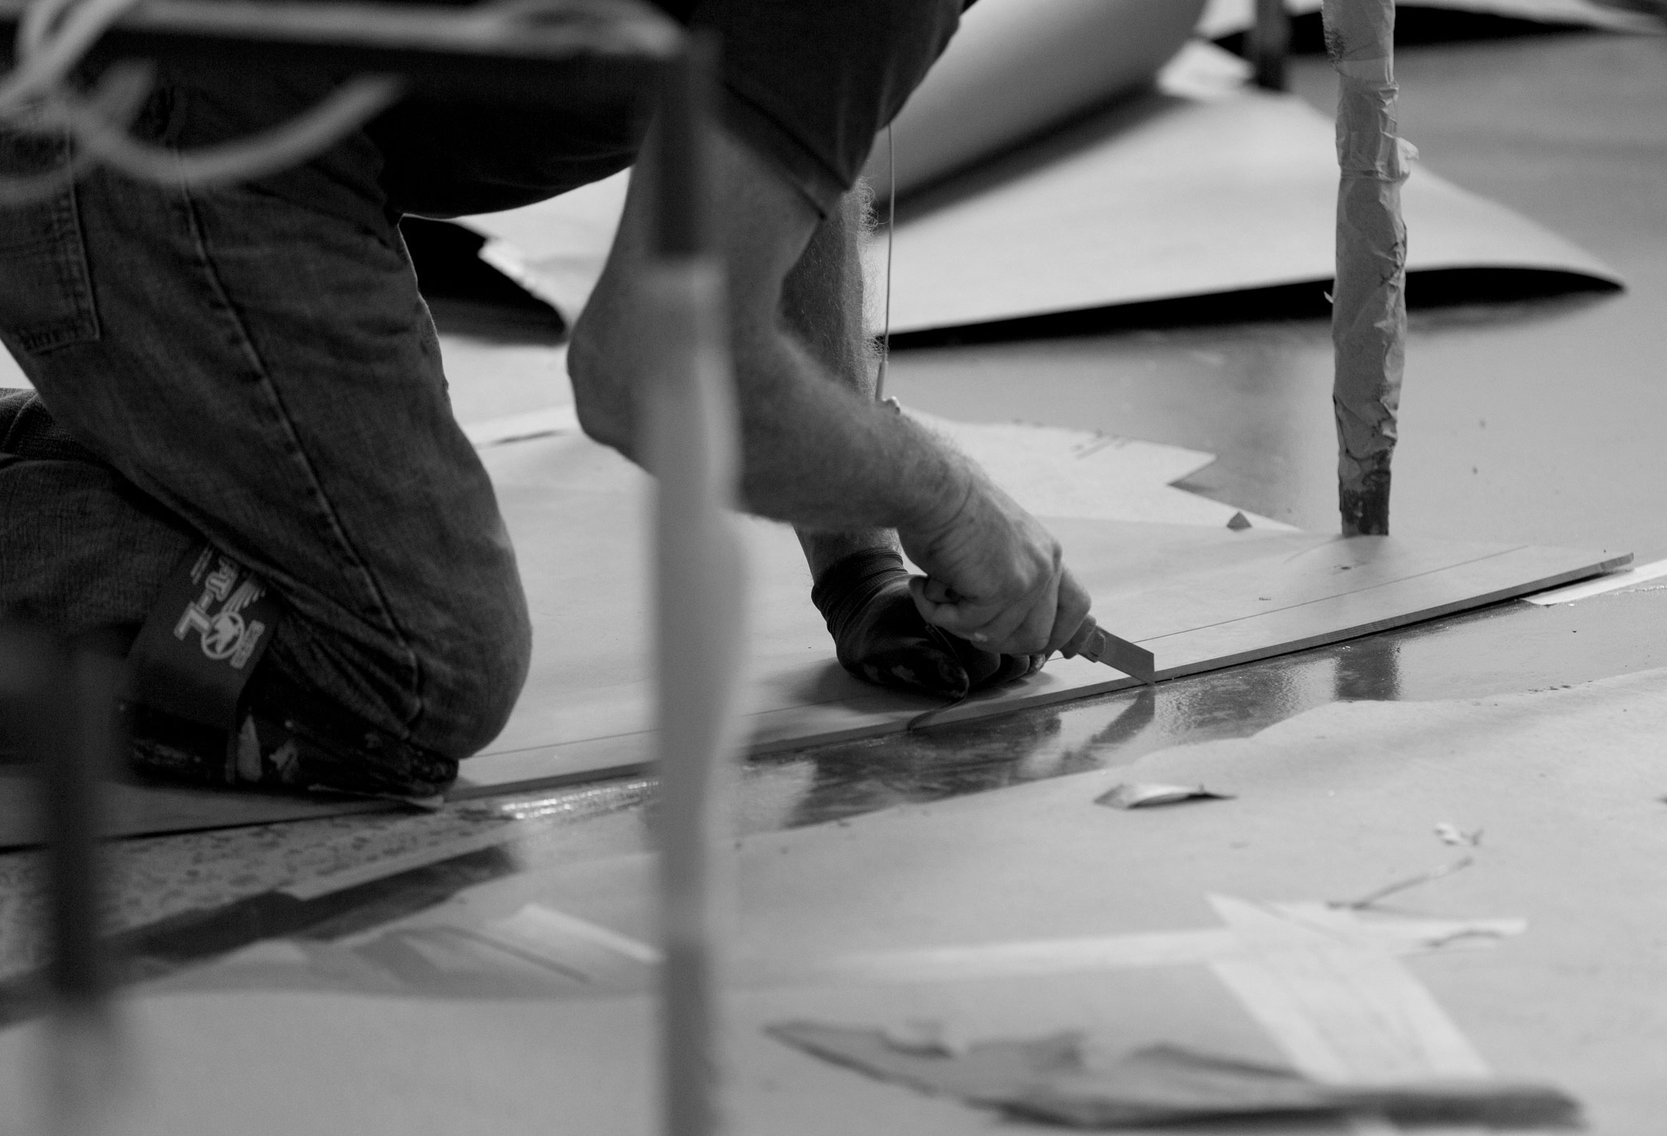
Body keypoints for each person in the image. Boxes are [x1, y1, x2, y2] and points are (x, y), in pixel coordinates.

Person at [0, 0, 1092, 798]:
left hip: (215, 96)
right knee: (408, 671)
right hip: (117, 91)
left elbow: (782, 126)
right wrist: (947, 503)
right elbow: (644, 371)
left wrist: (859, 567)